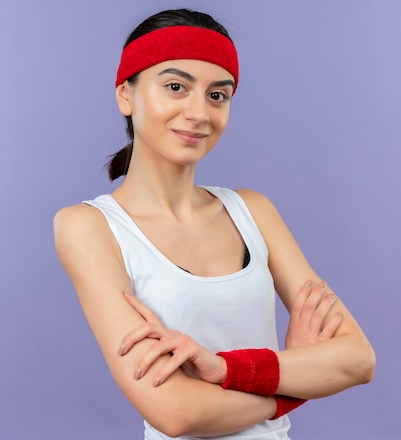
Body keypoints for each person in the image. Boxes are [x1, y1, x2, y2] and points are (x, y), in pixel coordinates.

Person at [54, 8, 375, 439]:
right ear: (125, 96)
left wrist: (225, 368)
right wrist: (294, 380)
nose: (199, 112)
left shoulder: (253, 211)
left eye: (217, 95)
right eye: (175, 87)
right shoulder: (88, 227)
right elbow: (177, 412)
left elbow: (357, 359)